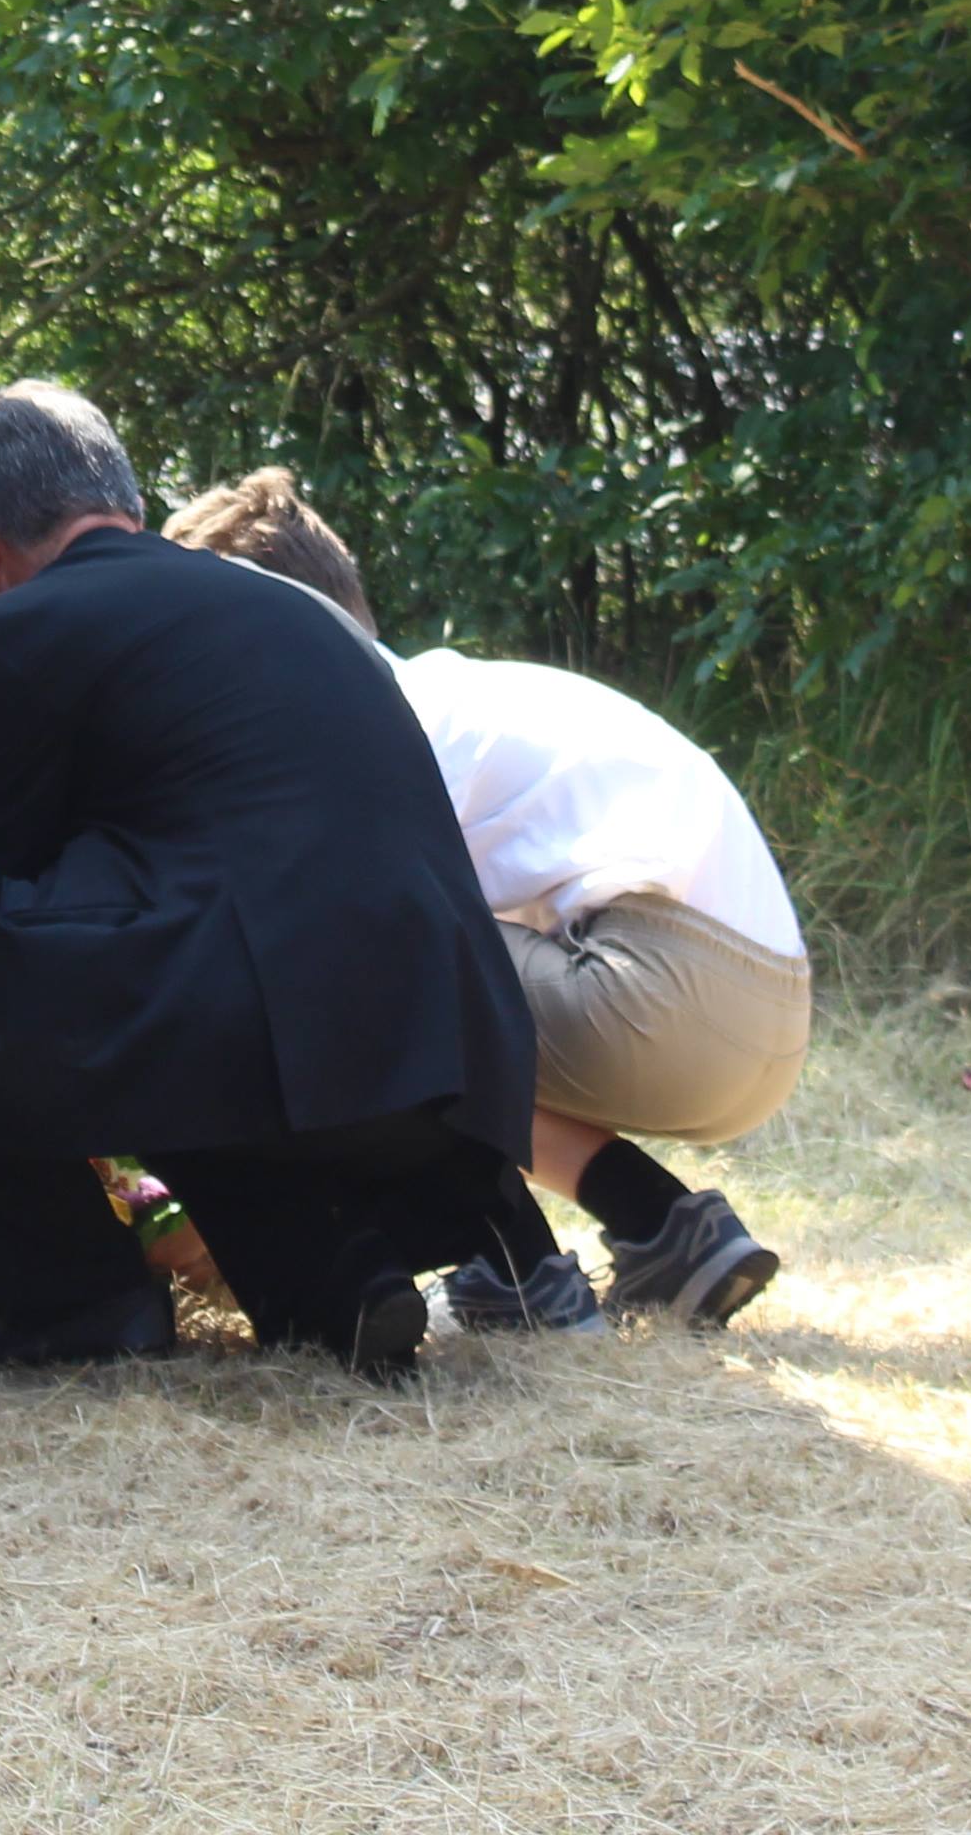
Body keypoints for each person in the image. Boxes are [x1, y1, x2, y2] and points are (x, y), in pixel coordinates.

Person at [0, 387, 545, 1381]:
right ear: (129, 505)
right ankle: (333, 1283)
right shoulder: (294, 608)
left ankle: (70, 1299)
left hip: (268, 1044)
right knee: (178, 960)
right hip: (454, 1072)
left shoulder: (11, 633)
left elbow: (2, 928)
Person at [167, 469, 801, 1332]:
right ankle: (662, 1226)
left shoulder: (374, 717)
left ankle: (513, 1267)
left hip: (666, 998)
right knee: (398, 957)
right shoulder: (454, 691)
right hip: (757, 1016)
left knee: (334, 955)